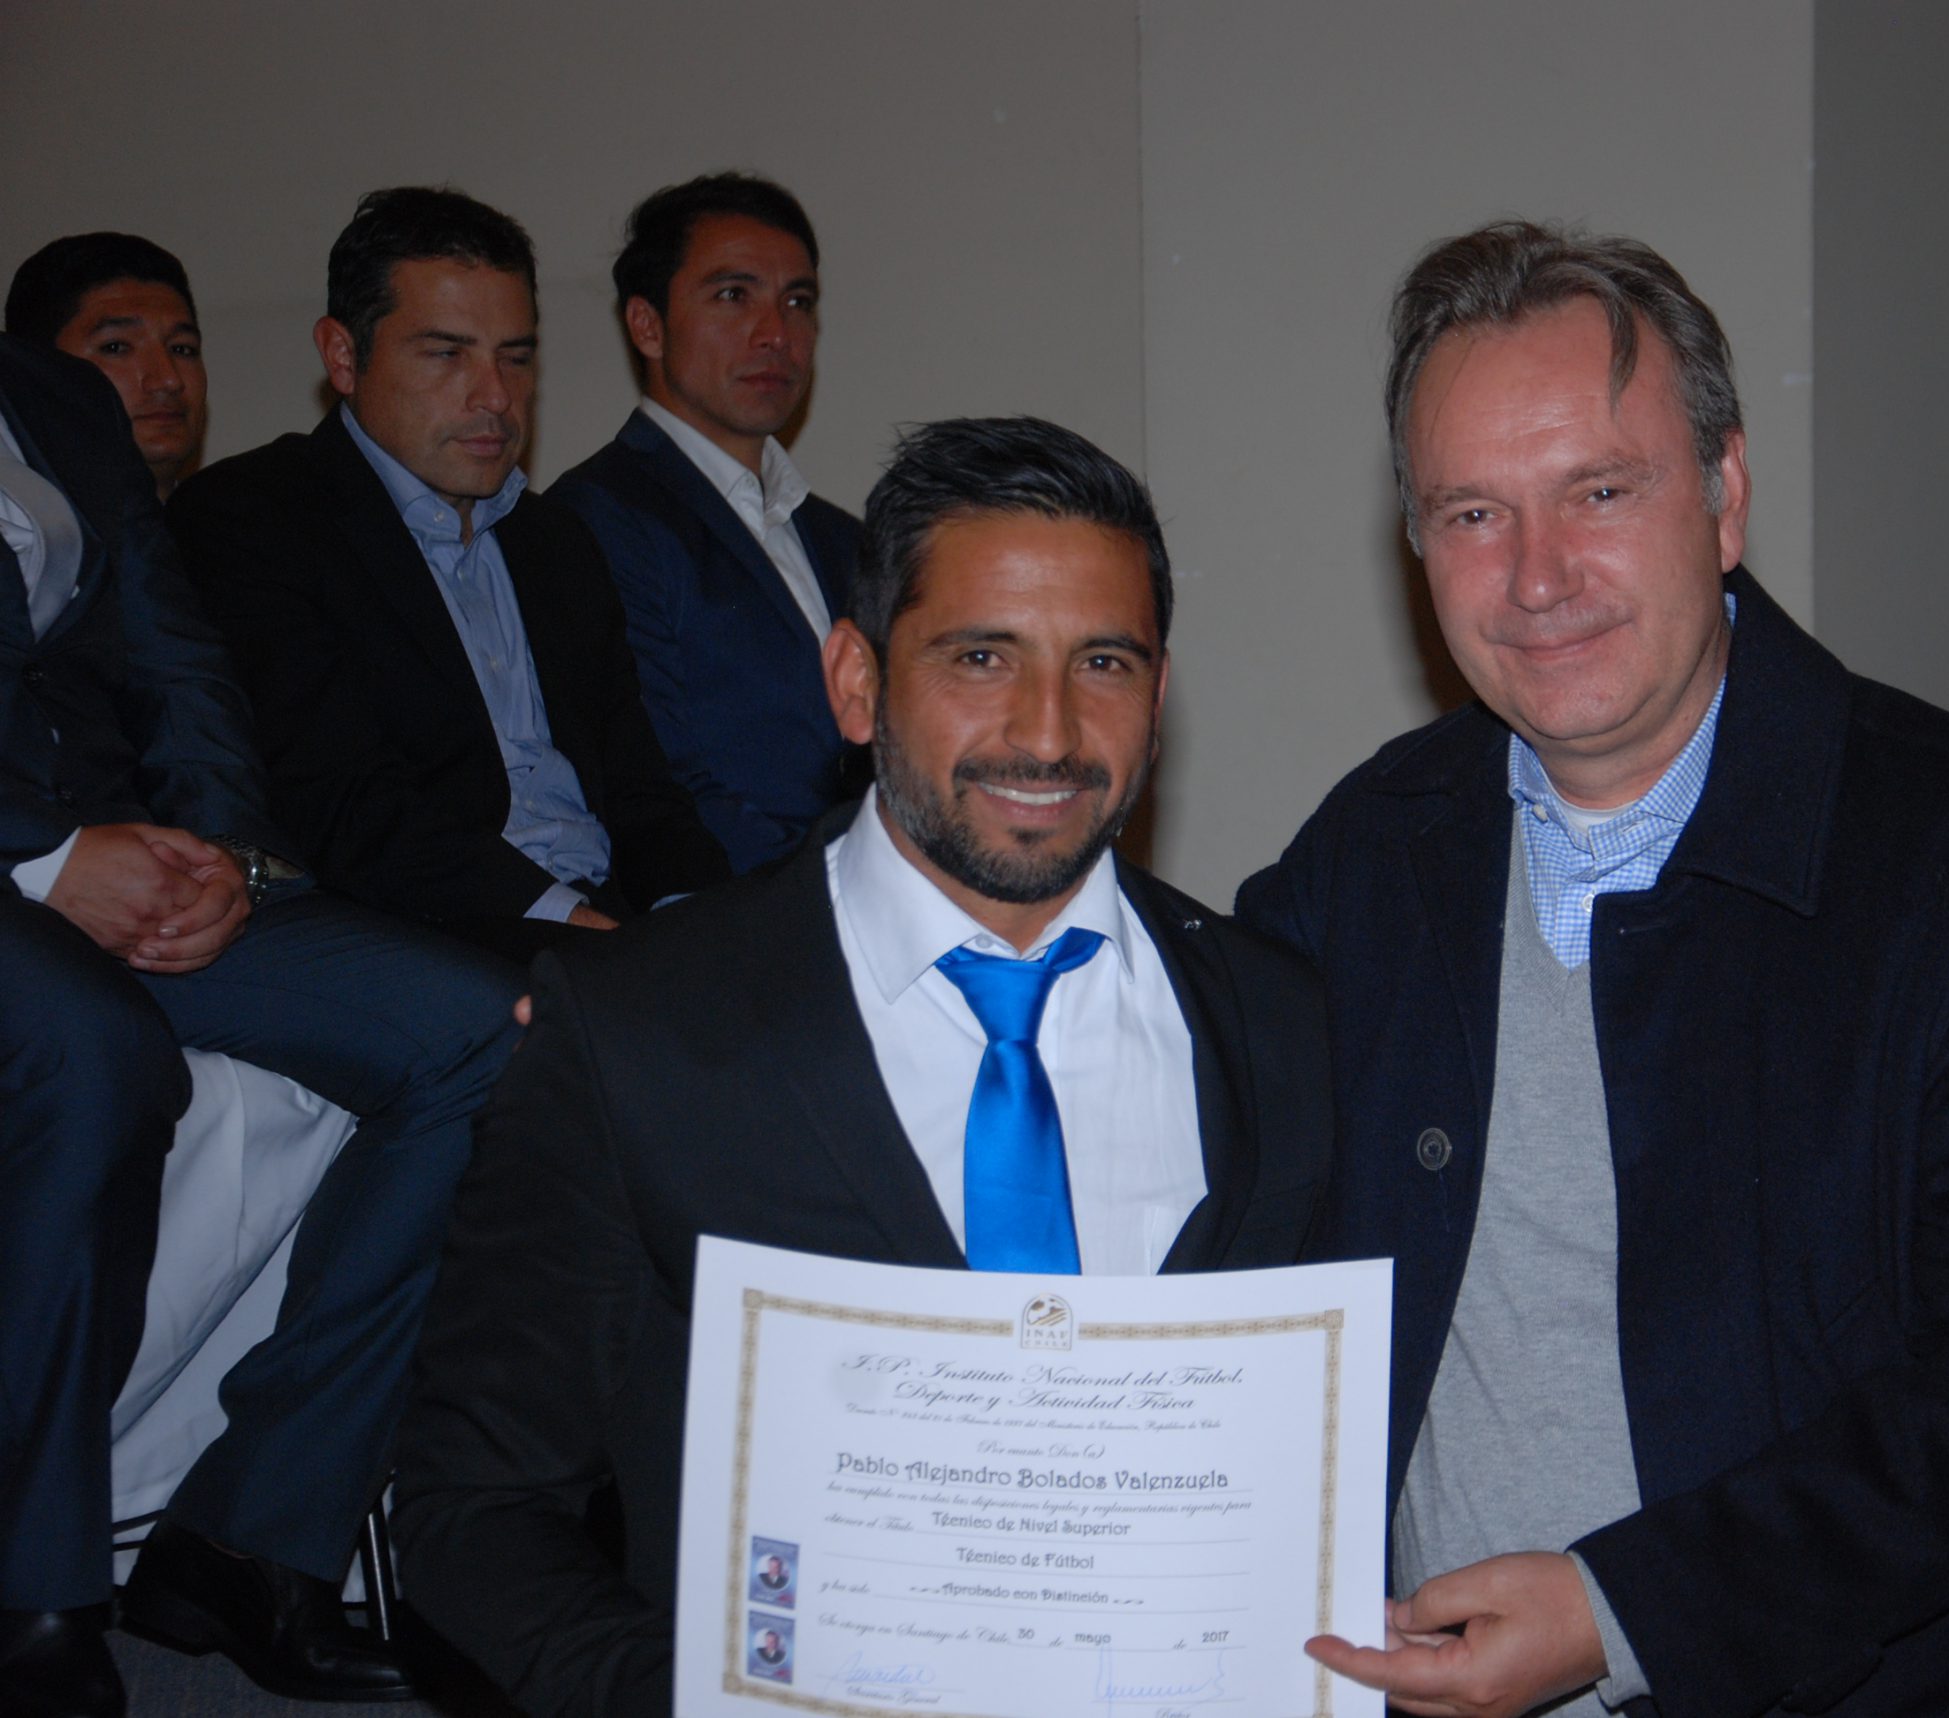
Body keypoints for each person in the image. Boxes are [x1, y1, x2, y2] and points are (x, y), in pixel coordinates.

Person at [1238, 222, 1949, 1716]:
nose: (1538, 575)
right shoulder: (1364, 858)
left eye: (1600, 491)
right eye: (1474, 513)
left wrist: (1630, 1610)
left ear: (1725, 496)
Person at [391, 416, 1332, 1716]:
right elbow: (472, 1509)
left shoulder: (1283, 1026)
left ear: (1159, 697)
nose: (1047, 731)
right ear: (854, 679)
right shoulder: (638, 1029)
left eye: (1103, 661)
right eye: (981, 656)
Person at [0, 331, 519, 1716]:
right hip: (24, 868)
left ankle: (248, 1537)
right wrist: (43, 858)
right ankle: (35, 1590)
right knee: (94, 1049)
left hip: (126, 848)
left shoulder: (50, 395)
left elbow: (175, 650)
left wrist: (225, 852)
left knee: (481, 1032)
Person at [167, 187, 729, 964]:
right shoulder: (257, 516)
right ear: (343, 357)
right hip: (428, 930)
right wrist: (578, 927)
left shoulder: (555, 541)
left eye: (516, 357)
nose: (495, 395)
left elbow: (641, 791)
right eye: (447, 354)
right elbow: (343, 808)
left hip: (604, 919)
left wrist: (700, 917)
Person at [550, 173, 863, 871]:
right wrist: (831, 900)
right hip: (730, 907)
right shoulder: (595, 517)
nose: (776, 333)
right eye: (733, 295)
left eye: (798, 302)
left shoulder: (845, 539)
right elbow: (656, 779)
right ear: (647, 325)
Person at [6, 232, 209, 499]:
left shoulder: (241, 516)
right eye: (116, 347)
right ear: (36, 374)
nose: (169, 380)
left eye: (182, 349)